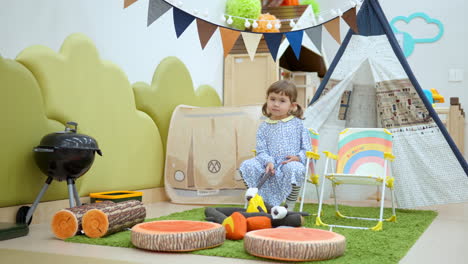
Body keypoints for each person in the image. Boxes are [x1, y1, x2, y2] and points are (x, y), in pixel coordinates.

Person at [239, 80, 312, 210]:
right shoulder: (264, 127)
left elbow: (307, 148)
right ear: (267, 100)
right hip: (267, 164)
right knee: (247, 165)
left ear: (292, 106)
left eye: (282, 101)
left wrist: (298, 157)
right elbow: (261, 150)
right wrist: (268, 162)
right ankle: (259, 201)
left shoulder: (298, 124)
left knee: (296, 169)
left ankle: (289, 206)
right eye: (272, 99)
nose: (276, 104)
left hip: (288, 164)